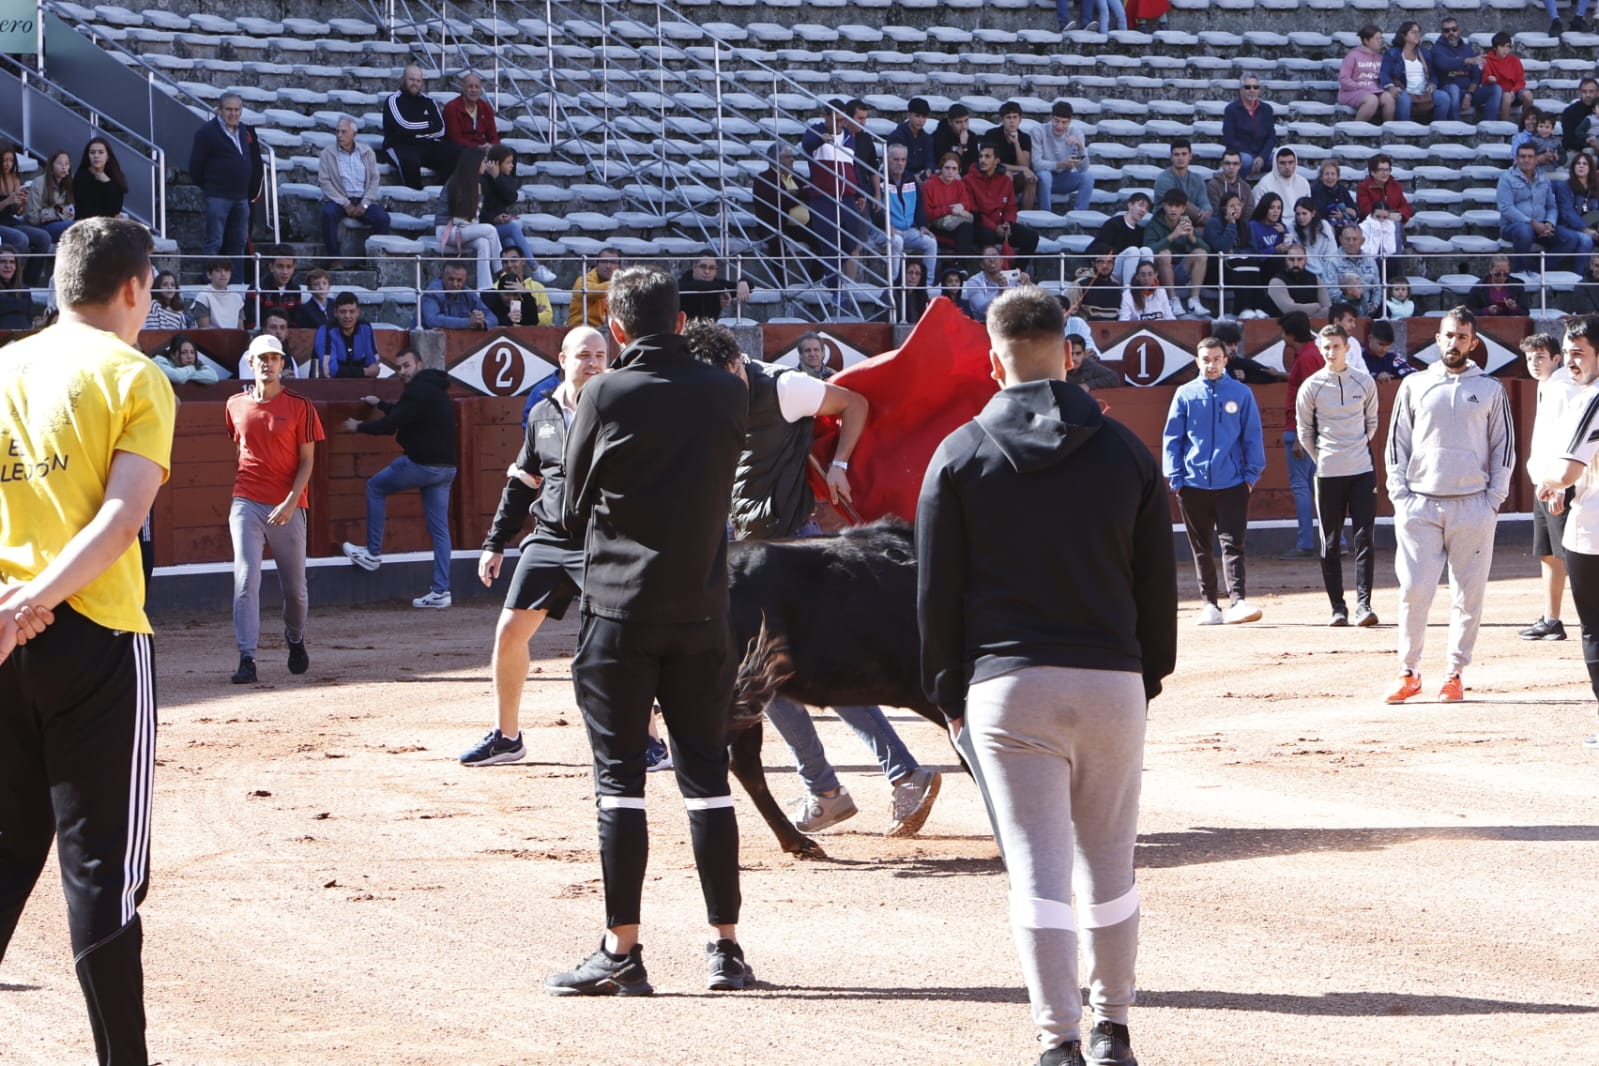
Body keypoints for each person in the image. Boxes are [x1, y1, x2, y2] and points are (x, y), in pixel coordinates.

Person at [916, 285, 1175, 1066]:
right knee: (1110, 865)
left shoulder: (958, 454)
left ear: (993, 362)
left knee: (1037, 872)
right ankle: (1114, 1029)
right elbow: (1156, 586)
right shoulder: (1127, 449)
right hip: (1110, 682)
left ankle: (1057, 1039)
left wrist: (945, 695)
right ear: (1069, 352)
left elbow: (935, 594)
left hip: (1007, 686)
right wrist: (1143, 679)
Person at [548, 267, 752, 997]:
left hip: (620, 610)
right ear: (680, 322)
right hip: (702, 610)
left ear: (618, 330)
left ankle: (621, 949)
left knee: (620, 787)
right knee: (706, 783)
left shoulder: (604, 391)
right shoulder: (729, 391)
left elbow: (570, 507)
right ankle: (725, 948)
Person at [0, 215, 175, 1066]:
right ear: (133, 288)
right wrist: (39, 596)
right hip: (95, 636)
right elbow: (121, 519)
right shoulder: (133, 374)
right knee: (105, 871)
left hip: (2, 634)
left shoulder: (2, 368)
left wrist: (10, 602)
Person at [460, 327, 610, 767]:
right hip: (547, 539)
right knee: (508, 633)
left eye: (601, 355)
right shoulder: (542, 412)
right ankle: (507, 738)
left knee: (614, 643)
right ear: (562, 358)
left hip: (601, 539)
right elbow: (523, 481)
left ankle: (650, 741)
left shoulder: (619, 409)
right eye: (585, 355)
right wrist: (495, 543)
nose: (595, 363)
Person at [1383, 307, 1515, 704]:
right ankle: (1409, 671)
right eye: (1448, 335)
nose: (1454, 343)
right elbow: (1396, 445)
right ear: (1437, 339)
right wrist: (1400, 497)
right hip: (1420, 505)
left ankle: (1454, 673)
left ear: (1473, 343)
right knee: (1413, 591)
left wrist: (1492, 500)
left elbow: (1503, 449)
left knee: (1467, 595)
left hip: (1472, 506)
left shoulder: (1490, 389)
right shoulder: (1414, 385)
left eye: (1461, 337)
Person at [225, 332, 324, 685]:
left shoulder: (300, 406)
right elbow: (241, 451)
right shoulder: (235, 404)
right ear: (250, 363)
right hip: (247, 499)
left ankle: (295, 638)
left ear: (283, 364)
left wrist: (290, 500)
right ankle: (246, 657)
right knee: (246, 578)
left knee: (295, 589)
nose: (268, 364)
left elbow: (307, 461)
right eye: (262, 358)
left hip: (289, 503)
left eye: (275, 358)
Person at [339, 349, 457, 609]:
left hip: (421, 464)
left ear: (420, 364)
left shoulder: (416, 391)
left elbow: (391, 425)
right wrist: (380, 403)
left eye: (407, 366)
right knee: (440, 531)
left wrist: (359, 426)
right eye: (399, 367)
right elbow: (403, 414)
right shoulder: (436, 390)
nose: (403, 371)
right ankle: (441, 591)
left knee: (375, 487)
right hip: (446, 469)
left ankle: (372, 553)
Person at [1162, 336, 1266, 625]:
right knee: (1201, 546)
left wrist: (1250, 476)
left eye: (1216, 359)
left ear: (1225, 360)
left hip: (1232, 482)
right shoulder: (1185, 394)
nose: (1211, 364)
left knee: (1233, 543)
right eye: (1205, 359)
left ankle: (1238, 600)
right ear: (1198, 361)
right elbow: (1173, 438)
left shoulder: (1241, 393)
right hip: (1193, 483)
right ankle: (1209, 603)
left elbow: (1252, 436)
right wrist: (1176, 478)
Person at [1534, 316, 1599, 748]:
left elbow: (1571, 467)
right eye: (1568, 351)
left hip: (1594, 530)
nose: (1570, 361)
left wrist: (1552, 483)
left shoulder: (1591, 400)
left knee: (1594, 628)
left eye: (1578, 352)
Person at [1296, 323, 1381, 626]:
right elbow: (1304, 432)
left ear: (1347, 348)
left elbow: (1371, 422)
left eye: (1336, 346)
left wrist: (1353, 450)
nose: (1331, 352)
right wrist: (1325, 458)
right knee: (1329, 541)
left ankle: (1364, 605)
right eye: (1326, 347)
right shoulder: (1311, 386)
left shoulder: (1363, 382)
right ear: (1320, 349)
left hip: (1361, 471)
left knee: (1364, 538)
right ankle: (1337, 608)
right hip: (1328, 473)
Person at [1520, 333, 1581, 643]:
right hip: (1545, 481)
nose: (1534, 362)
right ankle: (1551, 619)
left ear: (1557, 358)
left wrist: (1559, 484)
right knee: (1549, 553)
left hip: (1559, 484)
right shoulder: (1548, 387)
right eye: (1530, 357)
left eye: (1541, 356)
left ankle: (1587, 618)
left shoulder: (1564, 388)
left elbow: (1568, 439)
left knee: (1574, 556)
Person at [188, 92, 264, 280]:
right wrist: (211, 187)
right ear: (219, 110)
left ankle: (236, 283)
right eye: (229, 109)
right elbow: (195, 166)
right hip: (218, 196)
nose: (233, 113)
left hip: (241, 197)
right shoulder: (207, 132)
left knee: (238, 243)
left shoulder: (245, 131)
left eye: (237, 109)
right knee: (215, 241)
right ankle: (209, 281)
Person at [1498, 143, 1585, 273]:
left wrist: (1549, 223)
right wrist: (1532, 223)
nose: (1526, 160)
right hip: (1513, 226)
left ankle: (1539, 270)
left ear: (1536, 159)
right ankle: (1519, 272)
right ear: (1516, 158)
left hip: (1541, 226)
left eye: (1530, 156)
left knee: (1571, 238)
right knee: (1524, 230)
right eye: (1522, 156)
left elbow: (1552, 206)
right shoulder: (1506, 178)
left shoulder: (1544, 178)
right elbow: (1505, 207)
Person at [1279, 311, 1324, 561]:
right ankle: (1334, 540)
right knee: (1318, 487)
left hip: (1301, 430)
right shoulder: (1310, 354)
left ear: (1290, 333)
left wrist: (1299, 435)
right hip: (1314, 430)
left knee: (1302, 486)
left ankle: (1306, 542)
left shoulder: (1306, 357)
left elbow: (1309, 399)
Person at [317, 115, 392, 262]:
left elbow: (374, 179)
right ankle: (334, 258)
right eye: (337, 131)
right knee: (328, 213)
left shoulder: (367, 152)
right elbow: (324, 182)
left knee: (383, 219)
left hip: (363, 199)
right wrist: (345, 203)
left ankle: (370, 259)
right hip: (339, 199)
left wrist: (364, 204)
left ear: (354, 134)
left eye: (344, 132)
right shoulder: (327, 153)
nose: (339, 135)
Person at [382, 64, 462, 189]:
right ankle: (416, 196)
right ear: (403, 79)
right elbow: (403, 125)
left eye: (418, 80)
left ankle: (440, 191)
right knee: (410, 162)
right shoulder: (393, 100)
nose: (415, 83)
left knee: (456, 150)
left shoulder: (428, 101)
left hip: (424, 145)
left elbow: (441, 130)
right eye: (411, 79)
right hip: (399, 145)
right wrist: (429, 124)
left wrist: (415, 133)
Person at [433, 148, 501, 292]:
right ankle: (500, 271)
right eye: (484, 161)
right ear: (474, 163)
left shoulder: (477, 184)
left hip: (464, 229)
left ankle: (485, 287)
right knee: (490, 229)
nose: (486, 164)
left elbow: (472, 219)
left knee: (483, 243)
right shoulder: (456, 183)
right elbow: (458, 219)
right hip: (447, 229)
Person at [965, 142, 1040, 259]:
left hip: (1002, 224)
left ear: (996, 161)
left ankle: (1016, 271)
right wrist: (995, 228)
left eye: (987, 156)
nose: (982, 160)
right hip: (981, 224)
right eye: (980, 156)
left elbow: (1011, 207)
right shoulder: (968, 180)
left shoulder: (1005, 181)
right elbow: (974, 211)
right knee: (987, 236)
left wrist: (1008, 223)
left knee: (1032, 237)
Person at [1144, 190, 1211, 317]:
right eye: (1170, 205)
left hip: (1180, 270)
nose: (1173, 209)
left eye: (1178, 206)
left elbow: (1207, 249)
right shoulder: (1154, 224)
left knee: (1200, 253)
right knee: (1165, 254)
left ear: (1184, 208)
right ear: (1164, 206)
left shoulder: (1185, 221)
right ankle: (1172, 300)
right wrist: (1172, 236)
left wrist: (1192, 237)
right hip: (1160, 273)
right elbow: (1147, 249)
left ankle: (1194, 301)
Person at [882, 143, 938, 286]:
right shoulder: (880, 179)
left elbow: (919, 205)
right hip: (884, 229)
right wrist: (886, 225)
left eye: (903, 159)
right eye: (896, 159)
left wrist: (923, 225)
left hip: (908, 230)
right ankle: (894, 284)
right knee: (896, 241)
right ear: (887, 159)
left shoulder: (910, 179)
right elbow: (873, 208)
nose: (900, 163)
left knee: (930, 242)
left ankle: (927, 285)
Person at [0, 144, 51, 286]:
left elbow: (17, 212)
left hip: (9, 221)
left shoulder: (14, 178)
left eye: (10, 160)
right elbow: (5, 205)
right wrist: (6, 202)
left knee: (43, 237)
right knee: (20, 239)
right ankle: (13, 281)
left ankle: (29, 282)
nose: (7, 164)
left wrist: (22, 204)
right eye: (4, 160)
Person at [1380, 22, 1448, 124]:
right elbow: (1384, 72)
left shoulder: (1424, 52)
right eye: (1413, 32)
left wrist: (1432, 84)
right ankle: (1403, 131)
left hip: (1424, 92)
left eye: (1418, 32)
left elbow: (1433, 74)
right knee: (1404, 98)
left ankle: (1437, 129)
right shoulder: (1393, 53)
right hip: (1404, 90)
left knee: (1444, 97)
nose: (1417, 35)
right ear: (1403, 35)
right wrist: (1390, 87)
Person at [1034, 100, 1093, 214]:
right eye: (1056, 121)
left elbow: (1083, 168)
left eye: (1064, 122)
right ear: (1051, 118)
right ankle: (1046, 214)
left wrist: (1080, 147)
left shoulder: (1076, 133)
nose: (1060, 126)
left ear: (1070, 121)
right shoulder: (1039, 131)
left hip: (1064, 178)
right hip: (1043, 178)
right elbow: (1036, 164)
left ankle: (1079, 215)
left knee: (1088, 177)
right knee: (1045, 175)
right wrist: (1061, 164)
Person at [922, 151, 978, 266]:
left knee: (967, 227)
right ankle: (960, 266)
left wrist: (961, 206)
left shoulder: (959, 184)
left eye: (954, 168)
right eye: (947, 168)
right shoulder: (930, 185)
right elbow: (927, 214)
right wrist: (949, 209)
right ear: (941, 168)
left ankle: (961, 267)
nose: (950, 171)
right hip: (934, 225)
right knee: (965, 230)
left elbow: (967, 204)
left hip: (954, 223)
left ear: (958, 170)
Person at [1430, 17, 1489, 123]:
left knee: (1496, 90)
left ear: (1459, 30)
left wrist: (1469, 94)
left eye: (1454, 29)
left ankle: (1491, 128)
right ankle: (1455, 125)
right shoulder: (1436, 49)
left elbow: (1476, 77)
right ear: (1442, 33)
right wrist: (1467, 61)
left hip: (1467, 92)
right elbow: (1444, 63)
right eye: (1447, 31)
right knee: (1453, 88)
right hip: (1447, 90)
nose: (1451, 33)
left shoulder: (1467, 49)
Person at [985, 100, 1038, 211]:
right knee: (1007, 175)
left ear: (1020, 120)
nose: (1012, 121)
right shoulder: (992, 135)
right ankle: (1004, 213)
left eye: (1015, 117)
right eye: (1008, 117)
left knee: (1031, 178)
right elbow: (993, 163)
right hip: (995, 174)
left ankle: (1026, 215)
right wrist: (1022, 169)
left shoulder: (1024, 138)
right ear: (1002, 120)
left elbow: (1025, 164)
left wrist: (1016, 144)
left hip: (1017, 175)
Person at [1319, 225, 1382, 317]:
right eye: (1347, 239)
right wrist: (1351, 307)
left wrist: (1374, 305)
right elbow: (1331, 290)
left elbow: (1377, 288)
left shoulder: (1370, 260)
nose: (1351, 242)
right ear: (1340, 239)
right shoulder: (1331, 261)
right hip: (1343, 310)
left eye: (1355, 239)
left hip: (1369, 309)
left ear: (1362, 241)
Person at [314, 291, 380, 378]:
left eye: (352, 311)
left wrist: (365, 371)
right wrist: (364, 371)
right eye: (342, 312)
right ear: (335, 312)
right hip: (331, 386)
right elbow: (329, 370)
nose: (347, 316)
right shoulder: (325, 330)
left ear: (358, 312)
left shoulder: (365, 328)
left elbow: (374, 365)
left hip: (362, 386)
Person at [1339, 24, 1396, 124]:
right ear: (1366, 41)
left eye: (1381, 38)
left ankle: (1388, 130)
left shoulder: (1381, 58)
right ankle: (1355, 129)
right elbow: (1344, 79)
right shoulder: (1353, 55)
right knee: (1372, 100)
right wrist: (1359, 87)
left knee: (1388, 98)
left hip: (1374, 90)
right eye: (1376, 38)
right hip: (1351, 92)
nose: (1380, 41)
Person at [1355, 154, 1411, 255]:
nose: (1385, 173)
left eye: (1387, 169)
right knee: (1393, 225)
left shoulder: (1396, 186)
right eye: (1381, 170)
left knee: (1395, 225)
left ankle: (1394, 261)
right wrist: (1389, 216)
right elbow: (1366, 209)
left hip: (1391, 225)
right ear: (1372, 172)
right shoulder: (1363, 187)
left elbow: (1405, 206)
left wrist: (1401, 215)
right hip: (1371, 225)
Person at [1222, 76, 1276, 178]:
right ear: (1241, 90)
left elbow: (1271, 138)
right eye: (1248, 87)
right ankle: (1237, 188)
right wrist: (1253, 156)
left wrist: (1261, 157)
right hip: (1240, 153)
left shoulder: (1267, 109)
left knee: (1282, 159)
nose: (1252, 90)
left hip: (1262, 155)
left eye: (1255, 87)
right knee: (1246, 160)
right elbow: (1229, 139)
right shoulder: (1231, 110)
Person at [422, 260, 499, 330]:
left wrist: (482, 323)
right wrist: (468, 322)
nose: (455, 284)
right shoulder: (432, 292)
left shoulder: (468, 293)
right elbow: (433, 321)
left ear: (465, 280)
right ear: (442, 277)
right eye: (451, 279)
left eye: (459, 280)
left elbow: (493, 318)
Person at [1151, 138, 1211, 226]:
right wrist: (1200, 217)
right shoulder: (1163, 179)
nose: (1180, 158)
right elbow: (1179, 203)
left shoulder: (1197, 179)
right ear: (1171, 157)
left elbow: (1204, 202)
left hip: (1192, 221)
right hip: (1166, 223)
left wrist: (1207, 212)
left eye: (1184, 154)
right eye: (1176, 154)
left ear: (1190, 156)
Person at [491, 246, 555, 325]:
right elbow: (494, 320)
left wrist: (527, 315)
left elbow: (548, 319)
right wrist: (533, 311)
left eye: (513, 260)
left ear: (523, 261)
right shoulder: (495, 288)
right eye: (505, 262)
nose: (509, 265)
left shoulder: (538, 287)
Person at [965, 245, 1030, 322]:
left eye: (994, 256)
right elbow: (982, 311)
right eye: (987, 257)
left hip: (1011, 324)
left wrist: (1028, 285)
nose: (992, 259)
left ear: (1002, 261)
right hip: (984, 325)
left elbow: (1029, 304)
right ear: (982, 264)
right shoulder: (974, 282)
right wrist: (1000, 293)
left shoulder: (1013, 277)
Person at [24, 148, 75, 244]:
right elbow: (32, 217)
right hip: (39, 226)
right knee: (74, 227)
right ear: (51, 166)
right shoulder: (39, 183)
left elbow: (70, 213)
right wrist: (57, 212)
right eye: (60, 163)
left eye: (67, 164)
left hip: (59, 223)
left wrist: (60, 214)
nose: (64, 167)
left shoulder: (69, 184)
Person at [1480, 31, 1533, 123]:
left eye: (1508, 46)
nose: (1505, 50)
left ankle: (1526, 123)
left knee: (1528, 94)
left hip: (1514, 92)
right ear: (1495, 48)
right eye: (1502, 46)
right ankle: (1505, 127)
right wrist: (1490, 79)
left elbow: (1521, 81)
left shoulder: (1514, 60)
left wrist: (1514, 90)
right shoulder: (1488, 60)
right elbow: (1486, 79)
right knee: (1507, 96)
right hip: (1500, 94)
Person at [679, 254, 751, 321]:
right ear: (694, 267)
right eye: (703, 267)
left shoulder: (717, 284)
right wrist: (721, 289)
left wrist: (743, 282)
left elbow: (750, 286)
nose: (707, 271)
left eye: (712, 268)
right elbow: (697, 285)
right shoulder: (682, 283)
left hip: (710, 330)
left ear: (716, 271)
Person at [1268, 243, 1330, 318]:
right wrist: (1316, 306)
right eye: (1291, 259)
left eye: (1300, 259)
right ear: (1285, 260)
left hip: (1315, 327)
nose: (1295, 264)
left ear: (1306, 260)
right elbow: (1289, 309)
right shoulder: (1276, 281)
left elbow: (1328, 309)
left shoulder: (1315, 279)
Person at [72, 137, 127, 221]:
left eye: (101, 152)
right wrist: (111, 216)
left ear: (108, 156)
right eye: (92, 152)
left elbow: (116, 208)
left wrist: (106, 181)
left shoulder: (115, 175)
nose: (96, 156)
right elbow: (85, 211)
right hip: (87, 223)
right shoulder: (81, 177)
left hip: (108, 222)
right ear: (88, 156)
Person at [443, 71, 500, 148]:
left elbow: (494, 137)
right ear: (463, 88)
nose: (474, 90)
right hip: (461, 149)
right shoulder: (452, 108)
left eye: (477, 87)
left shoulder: (486, 107)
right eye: (470, 86)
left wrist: (491, 146)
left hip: (482, 148)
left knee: (509, 152)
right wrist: (477, 147)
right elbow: (455, 138)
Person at [885, 97, 936, 181]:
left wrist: (927, 172)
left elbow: (930, 161)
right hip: (901, 178)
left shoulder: (927, 138)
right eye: (917, 116)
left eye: (924, 117)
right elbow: (893, 164)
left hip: (923, 177)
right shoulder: (896, 137)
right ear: (908, 115)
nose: (921, 120)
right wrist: (913, 177)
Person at [569, 247, 619, 328]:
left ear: (619, 266)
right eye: (604, 262)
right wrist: (618, 283)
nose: (608, 266)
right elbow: (589, 292)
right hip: (580, 330)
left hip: (608, 331)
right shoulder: (582, 280)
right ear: (597, 264)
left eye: (613, 262)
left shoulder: (621, 284)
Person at [1253, 148, 1311, 217]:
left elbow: (1308, 209)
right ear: (1275, 163)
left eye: (1290, 162)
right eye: (1282, 163)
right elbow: (1259, 213)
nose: (1287, 167)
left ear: (1295, 163)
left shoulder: (1303, 182)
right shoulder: (1264, 184)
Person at [189, 259, 244, 330]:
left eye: (227, 270)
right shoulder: (203, 297)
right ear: (209, 275)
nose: (223, 274)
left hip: (233, 338)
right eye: (218, 270)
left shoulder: (237, 298)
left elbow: (241, 329)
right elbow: (203, 331)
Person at [1206, 150, 1256, 224]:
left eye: (1235, 164)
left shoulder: (1245, 187)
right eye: (1227, 163)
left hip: (1242, 226)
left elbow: (1250, 209)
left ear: (1240, 166)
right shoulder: (1213, 185)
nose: (1231, 167)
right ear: (1222, 165)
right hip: (1221, 225)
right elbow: (1217, 210)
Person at [153, 332, 220, 386]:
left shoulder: (196, 363)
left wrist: (186, 375)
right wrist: (192, 368)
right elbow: (177, 377)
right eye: (184, 353)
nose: (189, 356)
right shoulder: (159, 360)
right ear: (173, 355)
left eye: (192, 352)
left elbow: (214, 377)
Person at [931, 102, 981, 175]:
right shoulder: (939, 137)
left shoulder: (971, 136)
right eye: (958, 122)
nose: (964, 126)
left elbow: (974, 163)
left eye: (966, 121)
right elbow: (944, 164)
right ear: (950, 122)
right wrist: (962, 146)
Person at [1510, 111, 1564, 176]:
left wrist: (1558, 157)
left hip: (1552, 170)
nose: (1543, 130)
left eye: (1547, 127)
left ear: (1552, 129)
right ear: (1537, 127)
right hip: (1536, 172)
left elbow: (1564, 157)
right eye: (1541, 126)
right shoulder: (1533, 141)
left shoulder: (1556, 142)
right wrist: (1539, 158)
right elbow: (1527, 155)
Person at [1560, 79, 1599, 160]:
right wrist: (1590, 144)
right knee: (1592, 159)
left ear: (1597, 93)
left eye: (1591, 91)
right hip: (1577, 151)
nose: (1588, 95)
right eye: (1584, 91)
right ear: (1580, 93)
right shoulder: (1570, 111)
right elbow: (1568, 140)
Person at [0, 249, 32, 329]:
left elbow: (30, 318)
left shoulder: (25, 289)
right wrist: (21, 304)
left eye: (12, 262)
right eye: (3, 261)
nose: (8, 266)